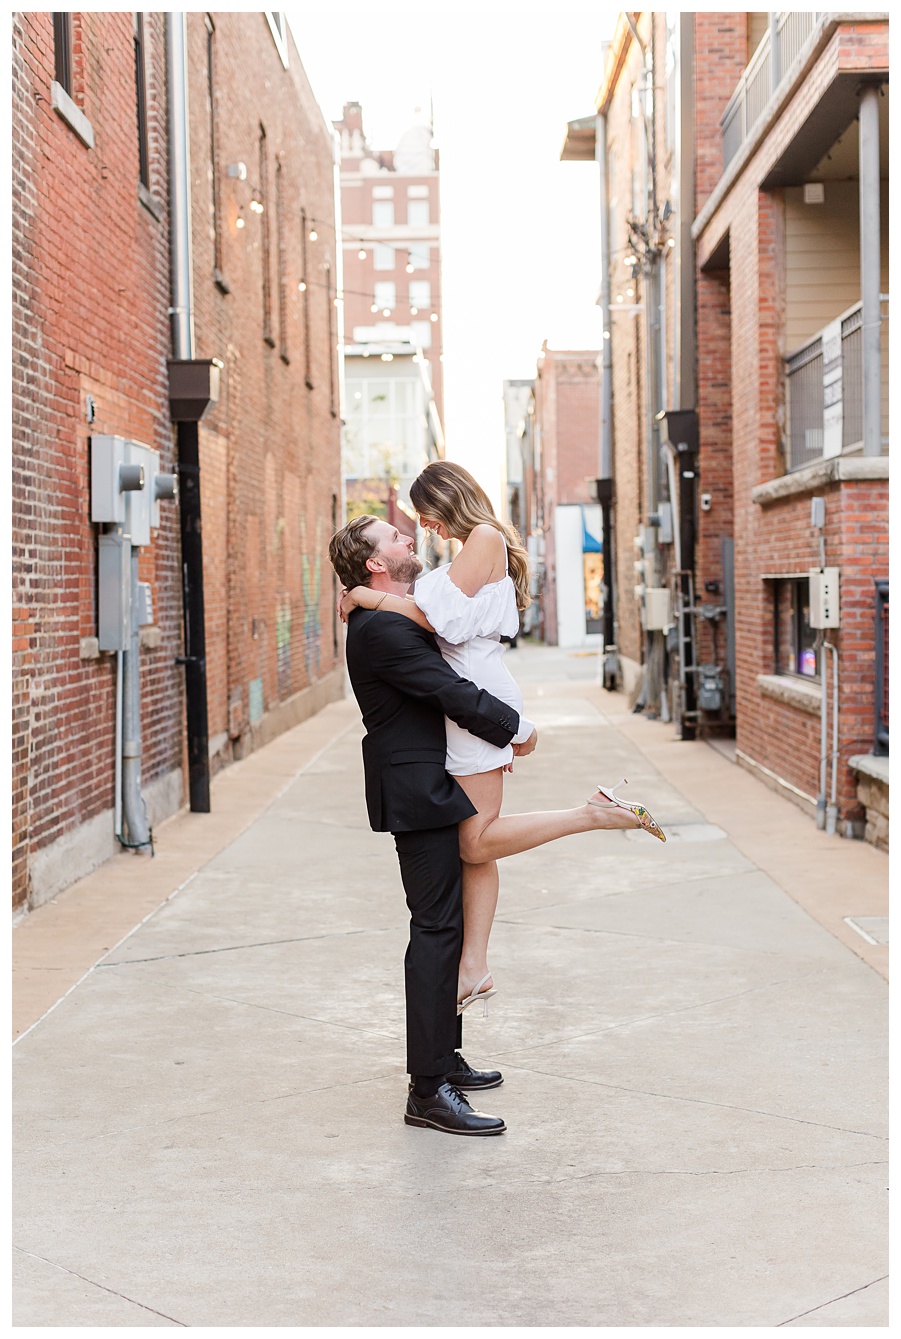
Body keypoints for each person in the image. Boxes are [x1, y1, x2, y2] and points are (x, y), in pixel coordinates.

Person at [339, 462, 665, 1021]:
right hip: (477, 696)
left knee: (475, 843)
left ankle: (591, 814)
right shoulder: (479, 545)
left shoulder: (484, 537)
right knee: (474, 849)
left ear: (448, 501)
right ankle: (475, 966)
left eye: (427, 516)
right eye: (410, 525)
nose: (425, 529)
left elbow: (433, 619)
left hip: (477, 702)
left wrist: (366, 600)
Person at [328, 513, 538, 1136]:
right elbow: (449, 690)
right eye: (392, 537)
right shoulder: (378, 631)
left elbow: (443, 624)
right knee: (436, 929)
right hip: (416, 790)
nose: (406, 538)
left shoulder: (386, 613)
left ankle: (444, 1059)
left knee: (444, 924)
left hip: (428, 784)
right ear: (373, 562)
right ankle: (428, 1089)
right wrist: (517, 730)